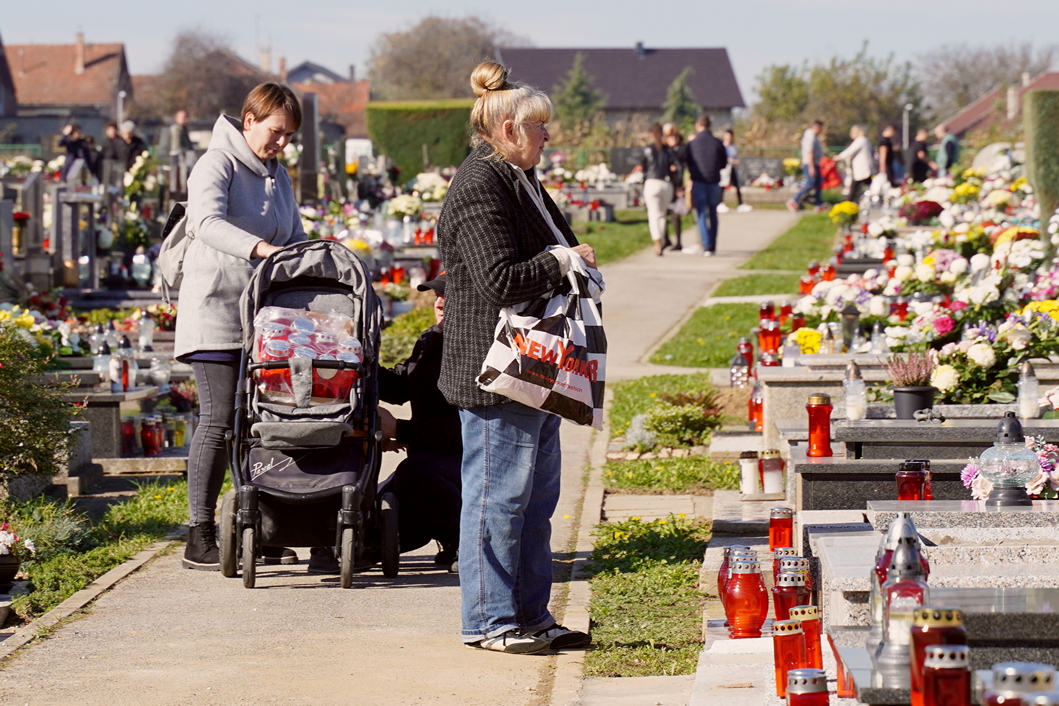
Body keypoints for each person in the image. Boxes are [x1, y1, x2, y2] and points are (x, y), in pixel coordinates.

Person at [437, 61, 594, 655]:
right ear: (507, 130)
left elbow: (557, 237)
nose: (547, 135)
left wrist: (568, 255)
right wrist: (561, 261)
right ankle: (489, 621)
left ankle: (531, 615)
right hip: (496, 370)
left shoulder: (519, 177)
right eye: (539, 127)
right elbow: (501, 280)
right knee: (496, 500)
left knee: (534, 502)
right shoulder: (481, 184)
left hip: (534, 365)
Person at [174, 83, 307, 571]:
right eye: (276, 132)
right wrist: (260, 250)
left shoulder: (279, 175)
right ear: (249, 119)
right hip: (215, 313)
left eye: (289, 136)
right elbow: (204, 223)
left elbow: (292, 236)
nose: (281, 143)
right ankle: (200, 533)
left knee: (259, 426)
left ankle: (260, 526)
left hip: (260, 321)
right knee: (218, 422)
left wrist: (312, 255)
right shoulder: (217, 164)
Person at [376, 274, 461, 571]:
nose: (439, 302)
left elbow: (466, 432)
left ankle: (467, 543)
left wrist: (400, 429)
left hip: (469, 465)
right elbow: (403, 385)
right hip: (434, 459)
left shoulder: (476, 349)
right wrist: (357, 367)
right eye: (437, 295)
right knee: (374, 508)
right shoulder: (434, 338)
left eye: (448, 296)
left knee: (413, 475)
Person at [686, 115, 728, 257]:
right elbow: (723, 163)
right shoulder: (717, 143)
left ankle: (706, 245)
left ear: (698, 126)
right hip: (714, 181)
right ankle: (713, 244)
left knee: (702, 214)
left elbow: (688, 162)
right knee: (713, 213)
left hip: (699, 182)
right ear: (709, 126)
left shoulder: (693, 144)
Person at [637, 123, 675, 256]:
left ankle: (657, 242)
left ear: (651, 134)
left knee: (654, 215)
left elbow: (643, 167)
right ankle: (662, 240)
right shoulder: (668, 150)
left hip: (652, 182)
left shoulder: (647, 149)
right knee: (662, 215)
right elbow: (675, 166)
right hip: (666, 183)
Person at [788, 120, 825, 212]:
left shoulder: (814, 136)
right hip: (810, 164)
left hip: (815, 163)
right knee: (810, 183)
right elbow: (809, 152)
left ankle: (818, 204)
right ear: (817, 128)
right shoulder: (810, 136)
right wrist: (811, 167)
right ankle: (794, 200)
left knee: (817, 183)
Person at [833, 124, 875, 204]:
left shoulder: (861, 140)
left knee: (855, 186)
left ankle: (849, 202)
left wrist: (839, 157)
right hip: (863, 168)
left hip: (862, 168)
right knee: (866, 184)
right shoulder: (865, 140)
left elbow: (850, 150)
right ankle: (854, 201)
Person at [662, 123, 687, 251]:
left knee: (675, 214)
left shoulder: (683, 150)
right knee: (663, 214)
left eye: (675, 137)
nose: (673, 139)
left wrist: (681, 186)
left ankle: (678, 242)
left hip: (677, 186)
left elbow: (683, 169)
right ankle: (666, 239)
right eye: (670, 137)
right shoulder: (665, 151)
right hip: (667, 186)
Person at [720, 129, 752, 213]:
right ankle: (720, 203)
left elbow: (734, 155)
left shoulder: (732, 146)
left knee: (737, 186)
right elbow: (723, 157)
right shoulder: (722, 146)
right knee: (723, 186)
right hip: (725, 168)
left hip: (732, 168)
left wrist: (735, 161)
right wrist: (731, 160)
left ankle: (740, 203)